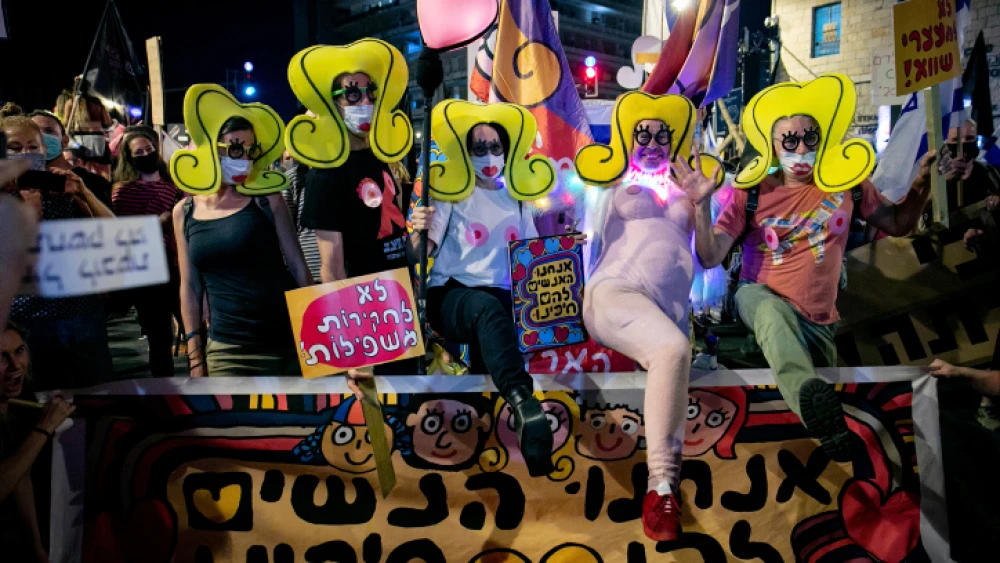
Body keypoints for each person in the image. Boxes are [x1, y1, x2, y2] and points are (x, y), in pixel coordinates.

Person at [692, 74, 938, 462]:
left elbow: (897, 224)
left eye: (810, 138)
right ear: (773, 145)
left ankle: (821, 424)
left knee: (819, 423)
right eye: (789, 140)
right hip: (760, 298)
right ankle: (811, 404)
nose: (801, 147)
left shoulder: (849, 185)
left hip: (820, 321)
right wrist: (699, 206)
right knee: (770, 311)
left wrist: (922, 186)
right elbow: (709, 256)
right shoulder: (751, 192)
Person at [574, 92, 724, 541]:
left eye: (663, 135)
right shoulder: (611, 182)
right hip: (614, 294)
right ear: (628, 138)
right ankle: (660, 488)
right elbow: (587, 237)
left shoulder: (691, 187)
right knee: (671, 348)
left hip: (666, 314)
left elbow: (710, 256)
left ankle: (663, 491)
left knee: (672, 355)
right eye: (644, 134)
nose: (653, 143)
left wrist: (702, 203)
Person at [395, 100, 558, 477]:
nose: (487, 155)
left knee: (492, 356)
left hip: (501, 304)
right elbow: (419, 254)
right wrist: (416, 230)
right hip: (453, 297)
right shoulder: (451, 193)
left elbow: (532, 259)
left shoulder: (518, 196)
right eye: (478, 148)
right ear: (465, 153)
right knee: (487, 309)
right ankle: (525, 402)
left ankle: (502, 458)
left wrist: (565, 250)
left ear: (506, 150)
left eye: (494, 147)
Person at [170, 86, 311, 376]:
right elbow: (189, 286)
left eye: (250, 150)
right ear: (212, 148)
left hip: (284, 341)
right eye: (235, 148)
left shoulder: (267, 199)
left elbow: (298, 267)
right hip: (227, 348)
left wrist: (316, 338)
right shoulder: (184, 212)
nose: (244, 158)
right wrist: (195, 358)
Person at [2, 104, 116, 389]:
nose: (26, 154)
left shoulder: (61, 189)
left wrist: (84, 194)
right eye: (15, 147)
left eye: (33, 146)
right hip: (26, 324)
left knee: (95, 401)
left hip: (82, 318)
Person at [288, 39, 414, 282]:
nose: (365, 102)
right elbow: (332, 268)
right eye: (353, 95)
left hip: (399, 295)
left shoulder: (382, 158)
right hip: (362, 302)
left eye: (371, 93)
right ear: (333, 103)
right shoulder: (325, 175)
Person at [1, 322, 76, 563]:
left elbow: (20, 474)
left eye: (19, 351)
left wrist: (36, 547)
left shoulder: (11, 405)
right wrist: (43, 428)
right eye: (2, 357)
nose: (15, 365)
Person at [111, 126, 182, 377]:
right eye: (139, 151)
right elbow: (123, 233)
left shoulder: (172, 183)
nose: (146, 153)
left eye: (149, 149)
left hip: (176, 262)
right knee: (160, 335)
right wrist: (157, 224)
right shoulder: (124, 190)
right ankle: (166, 390)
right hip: (147, 267)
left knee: (191, 323)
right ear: (129, 158)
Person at [29, 109, 113, 209]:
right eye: (35, 132)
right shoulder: (25, 182)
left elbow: (106, 222)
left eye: (49, 131)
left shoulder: (93, 182)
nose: (42, 137)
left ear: (65, 141)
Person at [938, 119, 1000, 212]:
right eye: (956, 140)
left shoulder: (991, 173)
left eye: (969, 138)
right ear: (946, 143)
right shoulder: (935, 178)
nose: (963, 143)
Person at [280, 149, 321, 282]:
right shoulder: (293, 177)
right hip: (310, 272)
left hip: (349, 269)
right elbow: (286, 230)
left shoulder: (345, 173)